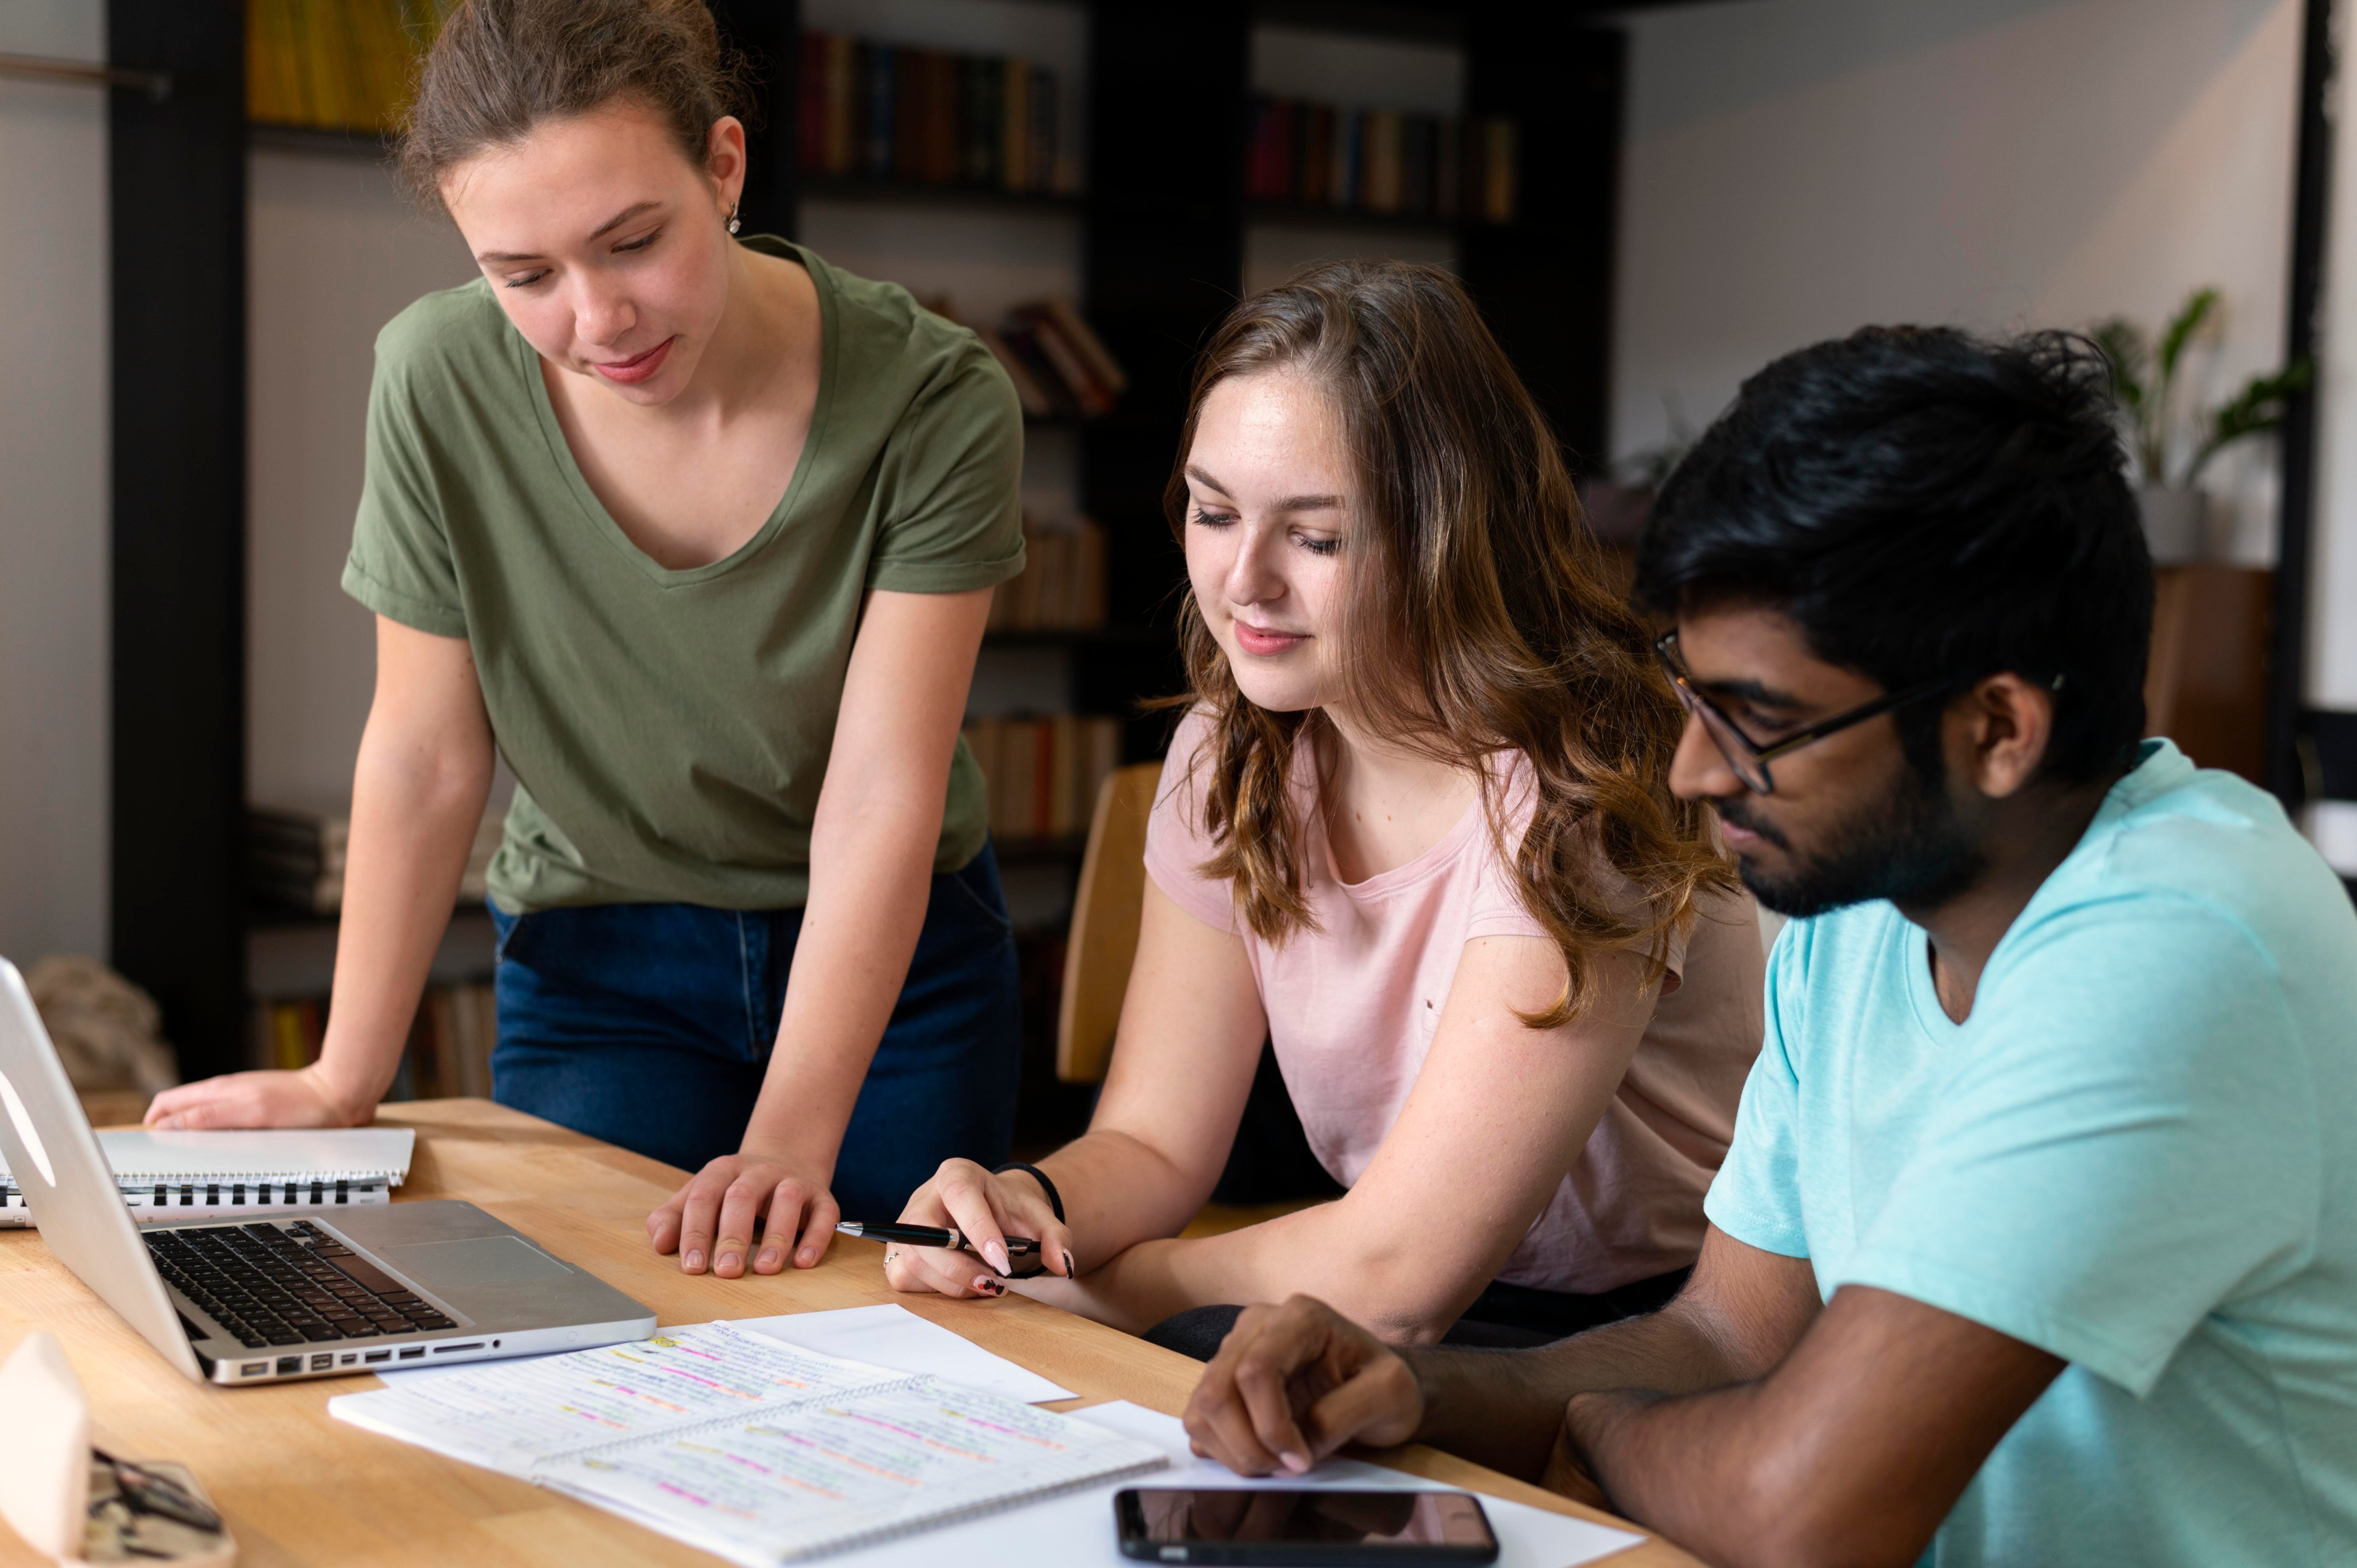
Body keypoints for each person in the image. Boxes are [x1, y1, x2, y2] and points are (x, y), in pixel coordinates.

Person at [1177, 327, 2357, 1568]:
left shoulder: (2178, 943)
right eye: (1694, 696)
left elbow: (1806, 1512)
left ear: (1997, 726)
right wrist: (1421, 1387)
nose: (1691, 769)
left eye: (1757, 722)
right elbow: (1728, 1341)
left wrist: (1595, 1428)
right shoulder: (1864, 906)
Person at [143, 0, 1027, 1282]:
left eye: (633, 243)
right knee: (585, 1349)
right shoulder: (435, 379)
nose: (599, 318)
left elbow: (882, 789)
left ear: (724, 166)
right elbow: (427, 756)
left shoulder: (937, 398)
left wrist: (788, 1136)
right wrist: (346, 1076)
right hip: (602, 958)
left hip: (895, 968)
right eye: (527, 277)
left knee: (907, 1345)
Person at [884, 261, 1764, 1353]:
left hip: (1648, 1329)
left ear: (1450, 535)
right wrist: (1026, 1206)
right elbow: (1156, 1143)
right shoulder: (1230, 751)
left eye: (1315, 536)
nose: (1241, 580)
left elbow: (1402, 1275)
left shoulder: (1583, 781)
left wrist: (1122, 1288)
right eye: (1213, 511)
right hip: (1377, 1282)